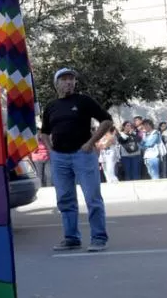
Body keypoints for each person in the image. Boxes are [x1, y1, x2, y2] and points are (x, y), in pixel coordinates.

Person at [39, 68, 113, 252]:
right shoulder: (51, 106)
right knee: (65, 199)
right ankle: (71, 238)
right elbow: (44, 131)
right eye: (64, 79)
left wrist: (91, 142)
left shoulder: (83, 101)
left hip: (83, 155)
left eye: (71, 79)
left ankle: (98, 238)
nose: (69, 82)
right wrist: (51, 150)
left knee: (92, 198)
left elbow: (106, 121)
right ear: (57, 84)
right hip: (60, 158)